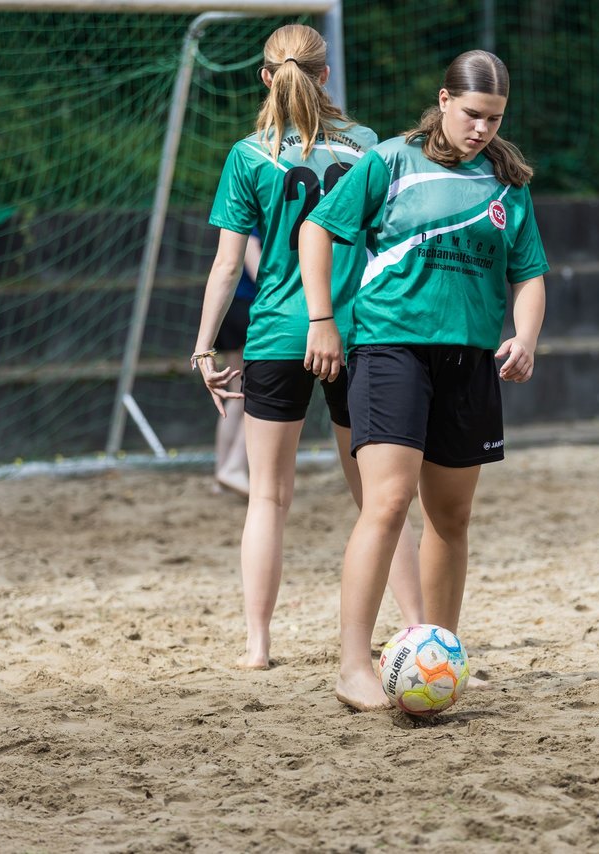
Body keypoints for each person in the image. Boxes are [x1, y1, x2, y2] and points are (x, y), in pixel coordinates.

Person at [299, 50, 548, 710]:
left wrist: (525, 336)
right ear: (443, 100)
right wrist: (322, 318)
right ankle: (353, 664)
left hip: (468, 362)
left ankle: (441, 654)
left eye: (495, 119)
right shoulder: (390, 161)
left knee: (452, 516)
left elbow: (528, 272)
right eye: (472, 115)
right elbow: (316, 230)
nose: (483, 129)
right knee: (387, 502)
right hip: (390, 350)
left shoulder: (506, 183)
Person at [192, 23, 424, 670]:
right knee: (379, 497)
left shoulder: (249, 154)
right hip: (355, 332)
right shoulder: (370, 149)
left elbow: (225, 266)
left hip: (274, 333)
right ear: (326, 76)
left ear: (266, 76)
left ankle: (258, 648)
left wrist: (204, 348)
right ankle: (416, 631)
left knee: (268, 496)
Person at [212, 229, 261, 497]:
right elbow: (251, 256)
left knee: (237, 393)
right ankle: (233, 467)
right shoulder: (261, 208)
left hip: (231, 305)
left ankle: (223, 474)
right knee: (254, 393)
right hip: (249, 307)